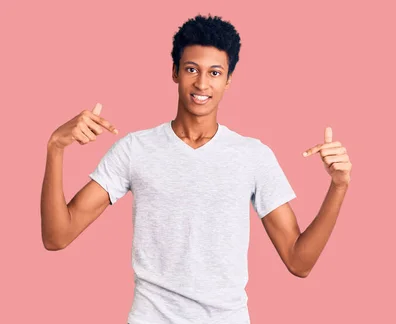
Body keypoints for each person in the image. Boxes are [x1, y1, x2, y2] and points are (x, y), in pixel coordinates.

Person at [40, 14, 352, 324]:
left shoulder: (252, 156)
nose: (202, 83)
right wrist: (56, 147)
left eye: (215, 72)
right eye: (192, 69)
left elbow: (299, 262)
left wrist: (338, 186)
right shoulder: (135, 150)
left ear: (228, 79)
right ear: (175, 72)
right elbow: (57, 236)